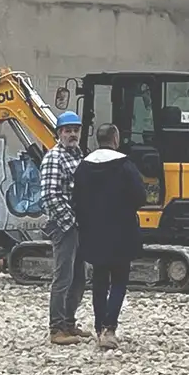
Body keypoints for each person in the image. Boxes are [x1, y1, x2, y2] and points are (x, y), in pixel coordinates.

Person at [69, 122, 146, 350]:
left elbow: (76, 199)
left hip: (93, 231)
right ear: (115, 139)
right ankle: (110, 328)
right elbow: (140, 197)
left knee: (100, 281)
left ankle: (98, 326)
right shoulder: (126, 166)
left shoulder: (83, 167)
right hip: (122, 230)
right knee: (120, 280)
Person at [38, 111, 86, 345]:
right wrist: (70, 223)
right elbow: (49, 195)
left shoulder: (77, 155)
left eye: (75, 130)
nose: (73, 134)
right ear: (59, 133)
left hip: (77, 225)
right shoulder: (54, 158)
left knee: (79, 277)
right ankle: (56, 328)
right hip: (63, 225)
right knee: (63, 278)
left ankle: (69, 323)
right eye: (68, 130)